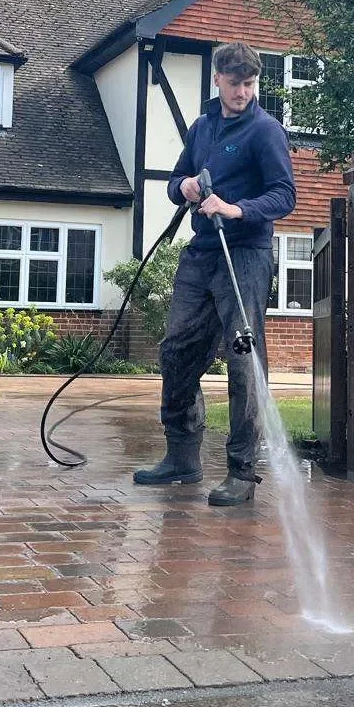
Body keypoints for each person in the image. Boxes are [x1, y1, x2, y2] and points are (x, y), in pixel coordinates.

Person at [133, 42, 297, 506]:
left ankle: (242, 473)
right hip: (201, 253)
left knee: (243, 359)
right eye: (235, 83)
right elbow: (175, 180)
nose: (242, 92)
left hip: (244, 254)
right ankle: (182, 457)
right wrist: (181, 186)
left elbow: (285, 195)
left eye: (250, 84)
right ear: (217, 80)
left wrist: (236, 207)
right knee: (176, 350)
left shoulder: (266, 131)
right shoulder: (202, 127)